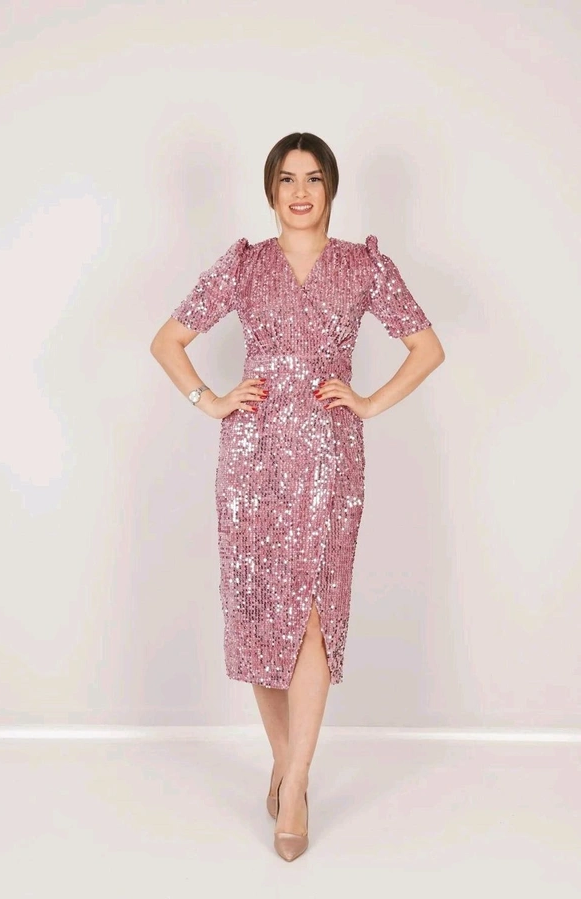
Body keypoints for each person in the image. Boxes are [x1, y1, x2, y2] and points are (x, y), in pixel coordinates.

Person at [150, 132, 445, 861]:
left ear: (331, 187)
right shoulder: (244, 265)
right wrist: (211, 399)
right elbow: (167, 341)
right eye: (287, 179)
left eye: (313, 178)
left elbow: (427, 348)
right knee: (260, 617)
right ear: (271, 190)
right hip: (251, 459)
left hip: (328, 458)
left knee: (312, 615)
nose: (301, 191)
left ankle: (297, 782)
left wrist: (368, 403)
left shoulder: (363, 266)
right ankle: (286, 766)